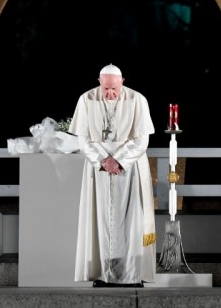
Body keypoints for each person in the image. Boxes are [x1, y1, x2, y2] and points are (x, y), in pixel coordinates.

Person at [71, 64, 156, 287]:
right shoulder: (86, 99)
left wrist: (118, 160)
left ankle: (131, 276)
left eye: (114, 89)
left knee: (131, 222)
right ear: (99, 82)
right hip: (99, 169)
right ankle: (103, 275)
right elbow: (83, 140)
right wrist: (104, 160)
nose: (109, 94)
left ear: (122, 82)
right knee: (100, 221)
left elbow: (142, 140)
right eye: (106, 89)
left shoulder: (138, 100)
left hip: (129, 168)